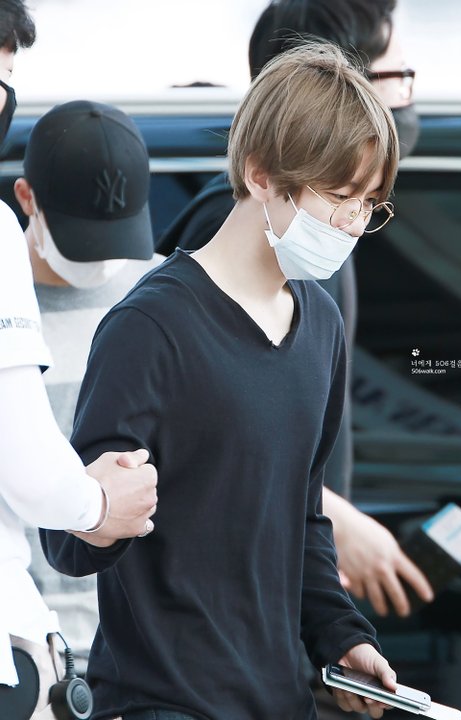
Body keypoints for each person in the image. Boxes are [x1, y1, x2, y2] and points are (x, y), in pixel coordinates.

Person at [43, 42, 402, 720]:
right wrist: (101, 509)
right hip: (161, 702)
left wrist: (342, 638)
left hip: (280, 700)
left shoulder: (320, 325)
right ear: (261, 173)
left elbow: (303, 517)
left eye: (368, 204)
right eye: (339, 198)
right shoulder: (151, 327)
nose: (354, 225)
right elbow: (66, 536)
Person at [157, 0, 432, 623]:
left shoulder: (320, 243)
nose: (405, 101)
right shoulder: (239, 239)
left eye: (368, 205)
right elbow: (209, 440)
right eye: (397, 78)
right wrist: (337, 516)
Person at [0, 1, 157, 714]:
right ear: (26, 199)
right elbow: (29, 465)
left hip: (129, 652)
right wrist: (98, 505)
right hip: (34, 647)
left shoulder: (164, 297)